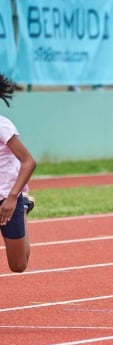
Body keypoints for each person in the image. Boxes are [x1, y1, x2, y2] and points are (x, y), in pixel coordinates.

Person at [0, 74, 36, 272]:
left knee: (18, 265)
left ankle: (23, 208)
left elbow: (29, 161)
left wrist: (14, 197)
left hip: (7, 197)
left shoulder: (2, 125)